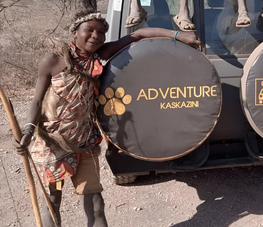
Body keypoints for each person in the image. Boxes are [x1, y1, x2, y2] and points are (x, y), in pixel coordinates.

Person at [15, 13, 201, 227]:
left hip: (85, 144)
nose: (96, 36)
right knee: (53, 199)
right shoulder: (53, 61)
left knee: (95, 202)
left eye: (101, 32)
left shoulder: (98, 57)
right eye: (89, 30)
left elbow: (139, 34)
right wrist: (28, 131)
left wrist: (178, 35)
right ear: (75, 32)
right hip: (53, 145)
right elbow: (37, 101)